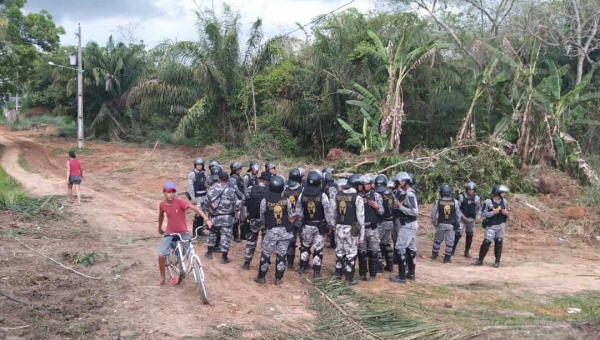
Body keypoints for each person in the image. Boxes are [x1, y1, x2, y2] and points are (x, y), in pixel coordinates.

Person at [157, 181, 212, 286]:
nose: (171, 194)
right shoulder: (162, 204)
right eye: (169, 192)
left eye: (173, 192)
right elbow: (161, 216)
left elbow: (195, 208)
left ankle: (197, 277)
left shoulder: (180, 202)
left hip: (183, 232)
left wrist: (206, 219)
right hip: (169, 232)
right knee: (161, 256)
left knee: (189, 254)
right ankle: (162, 278)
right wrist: (159, 228)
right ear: (164, 192)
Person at [255, 175, 297, 285]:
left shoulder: (265, 201)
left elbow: (262, 217)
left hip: (271, 231)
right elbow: (291, 215)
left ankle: (261, 278)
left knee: (265, 254)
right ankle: (278, 279)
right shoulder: (286, 201)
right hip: (284, 232)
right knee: (281, 255)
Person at [295, 171, 335, 279]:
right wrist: (330, 226)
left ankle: (302, 267)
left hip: (306, 225)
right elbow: (328, 212)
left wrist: (300, 222)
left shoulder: (302, 195)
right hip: (319, 226)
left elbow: (298, 212)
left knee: (305, 246)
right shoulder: (322, 196)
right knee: (318, 249)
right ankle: (316, 272)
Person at [331, 174, 365, 285]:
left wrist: (333, 226)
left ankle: (337, 276)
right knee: (351, 253)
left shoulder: (337, 195)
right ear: (356, 185)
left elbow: (333, 213)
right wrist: (362, 233)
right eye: (360, 185)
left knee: (340, 252)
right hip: (352, 229)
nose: (362, 187)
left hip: (339, 227)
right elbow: (360, 217)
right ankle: (349, 279)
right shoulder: (357, 198)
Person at [205, 168, 241, 264]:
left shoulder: (212, 189)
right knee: (226, 236)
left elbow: (206, 203)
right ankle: (224, 257)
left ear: (218, 179)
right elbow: (237, 205)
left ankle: (209, 253)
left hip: (214, 216)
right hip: (228, 218)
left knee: (212, 233)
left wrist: (208, 212)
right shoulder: (231, 191)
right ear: (228, 180)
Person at [389, 172, 419, 284]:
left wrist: (400, 207)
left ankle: (401, 276)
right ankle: (411, 273)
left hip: (407, 224)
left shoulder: (410, 194)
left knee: (399, 248)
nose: (398, 184)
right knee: (411, 249)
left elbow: (414, 211)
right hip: (409, 225)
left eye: (399, 182)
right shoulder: (405, 193)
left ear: (404, 181)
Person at [473, 185, 510, 268]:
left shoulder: (504, 201)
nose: (504, 194)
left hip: (500, 226)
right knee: (486, 242)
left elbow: (509, 213)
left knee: (499, 241)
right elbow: (483, 213)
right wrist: (493, 213)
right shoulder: (488, 202)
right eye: (502, 193)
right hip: (491, 226)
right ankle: (480, 260)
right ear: (497, 193)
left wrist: (505, 213)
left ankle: (497, 261)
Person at [242, 171, 270, 270]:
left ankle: (246, 262)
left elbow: (244, 201)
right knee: (265, 241)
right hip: (265, 220)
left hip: (253, 218)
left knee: (251, 241)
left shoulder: (251, 188)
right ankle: (264, 261)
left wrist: (246, 215)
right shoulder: (270, 190)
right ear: (267, 181)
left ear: (260, 179)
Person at [358, 175, 384, 281]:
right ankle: (362, 274)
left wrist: (376, 206)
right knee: (362, 252)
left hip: (373, 228)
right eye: (367, 184)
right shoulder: (358, 196)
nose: (369, 186)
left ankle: (373, 275)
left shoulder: (376, 196)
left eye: (370, 184)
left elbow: (382, 211)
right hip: (362, 228)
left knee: (373, 252)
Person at [430, 185, 462, 264]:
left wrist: (435, 223)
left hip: (441, 223)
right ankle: (447, 258)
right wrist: (457, 223)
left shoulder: (439, 202)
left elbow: (433, 214)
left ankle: (434, 255)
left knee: (437, 240)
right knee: (450, 242)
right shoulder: (455, 202)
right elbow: (458, 215)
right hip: (451, 225)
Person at [374, 175, 397, 272]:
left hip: (381, 222)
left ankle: (379, 266)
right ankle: (390, 265)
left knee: (377, 244)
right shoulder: (391, 194)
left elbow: (379, 210)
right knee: (387, 243)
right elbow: (395, 206)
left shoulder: (377, 194)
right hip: (390, 221)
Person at [453, 182, 481, 257]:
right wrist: (462, 216)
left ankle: (467, 252)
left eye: (472, 190)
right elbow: (457, 208)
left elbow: (479, 209)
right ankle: (451, 250)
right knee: (458, 234)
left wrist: (478, 217)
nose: (470, 191)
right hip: (461, 219)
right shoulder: (461, 197)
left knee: (470, 235)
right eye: (469, 190)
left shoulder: (477, 198)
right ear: (466, 190)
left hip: (471, 219)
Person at [284, 168, 304, 269]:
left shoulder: (285, 190)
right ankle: (303, 264)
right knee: (303, 242)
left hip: (289, 220)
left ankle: (290, 263)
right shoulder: (302, 190)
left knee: (291, 241)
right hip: (299, 220)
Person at [187, 158, 208, 237]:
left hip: (204, 196)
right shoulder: (192, 174)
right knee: (197, 214)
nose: (199, 166)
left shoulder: (204, 174)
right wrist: (193, 198)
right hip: (197, 197)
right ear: (195, 165)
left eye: (200, 165)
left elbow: (206, 185)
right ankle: (195, 233)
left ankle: (200, 231)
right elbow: (190, 187)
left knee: (203, 214)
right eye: (197, 165)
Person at [242, 161, 260, 240]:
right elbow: (244, 188)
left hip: (254, 201)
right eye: (255, 168)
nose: (256, 170)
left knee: (251, 216)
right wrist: (246, 197)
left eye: (257, 169)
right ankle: (244, 233)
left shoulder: (257, 178)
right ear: (251, 169)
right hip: (247, 199)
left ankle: (250, 232)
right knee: (245, 217)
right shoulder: (246, 177)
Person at [229, 162, 245, 243]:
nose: (240, 170)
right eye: (238, 169)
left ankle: (241, 234)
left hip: (241, 200)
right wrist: (243, 196)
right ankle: (235, 235)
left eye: (240, 169)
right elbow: (236, 190)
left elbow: (243, 188)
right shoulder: (232, 179)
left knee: (242, 218)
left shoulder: (240, 178)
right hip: (236, 200)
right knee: (236, 218)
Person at [323, 172, 338, 248]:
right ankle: (333, 242)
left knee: (331, 225)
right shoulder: (336, 185)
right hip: (336, 207)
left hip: (331, 207)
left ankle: (333, 242)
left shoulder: (327, 186)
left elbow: (331, 200)